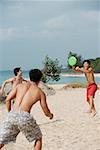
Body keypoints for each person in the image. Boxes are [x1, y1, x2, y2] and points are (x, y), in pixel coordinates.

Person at [0, 69, 53, 150]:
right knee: (38, 138)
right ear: (40, 79)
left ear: (30, 77)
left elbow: (8, 99)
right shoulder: (40, 92)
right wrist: (50, 115)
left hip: (12, 115)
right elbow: (46, 111)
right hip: (24, 116)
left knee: (2, 140)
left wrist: (10, 112)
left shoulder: (19, 86)